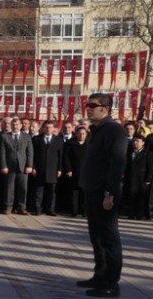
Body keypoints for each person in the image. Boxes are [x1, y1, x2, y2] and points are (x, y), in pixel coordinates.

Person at [76, 93, 127, 297]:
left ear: (105, 108)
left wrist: (110, 193)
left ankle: (111, 283)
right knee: (96, 237)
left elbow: (117, 164)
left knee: (109, 239)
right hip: (92, 191)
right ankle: (100, 275)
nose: (87, 108)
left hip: (105, 194)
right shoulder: (97, 130)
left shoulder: (115, 130)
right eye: (86, 105)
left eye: (92, 105)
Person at [3, 117, 34, 215]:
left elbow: (30, 152)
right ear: (10, 126)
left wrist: (29, 165)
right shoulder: (5, 136)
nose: (15, 126)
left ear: (21, 126)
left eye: (17, 125)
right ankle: (8, 207)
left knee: (23, 188)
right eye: (13, 125)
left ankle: (22, 208)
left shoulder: (26, 136)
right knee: (9, 188)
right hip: (10, 167)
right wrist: (3, 166)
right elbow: (2, 153)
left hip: (23, 167)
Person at [32, 121, 63, 216]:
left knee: (51, 192)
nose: (48, 129)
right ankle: (37, 209)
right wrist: (33, 167)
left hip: (52, 170)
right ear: (43, 128)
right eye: (46, 127)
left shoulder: (58, 140)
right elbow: (33, 155)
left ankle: (50, 209)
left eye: (50, 127)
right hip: (40, 169)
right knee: (39, 190)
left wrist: (59, 169)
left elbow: (60, 156)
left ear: (53, 128)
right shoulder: (36, 139)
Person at [63, 126, 88, 217]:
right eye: (79, 133)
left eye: (83, 134)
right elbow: (66, 158)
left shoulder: (89, 145)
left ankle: (84, 211)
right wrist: (69, 169)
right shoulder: (71, 144)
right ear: (76, 134)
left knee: (84, 193)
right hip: (73, 172)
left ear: (86, 135)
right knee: (74, 193)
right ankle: (74, 211)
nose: (81, 135)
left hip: (85, 173)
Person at [125, 137, 152, 220]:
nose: (135, 143)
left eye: (137, 141)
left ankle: (140, 215)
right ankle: (131, 214)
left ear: (143, 143)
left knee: (141, 198)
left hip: (142, 179)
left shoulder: (148, 154)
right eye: (134, 141)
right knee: (131, 196)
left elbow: (150, 167)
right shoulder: (130, 153)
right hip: (131, 178)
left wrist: (148, 179)